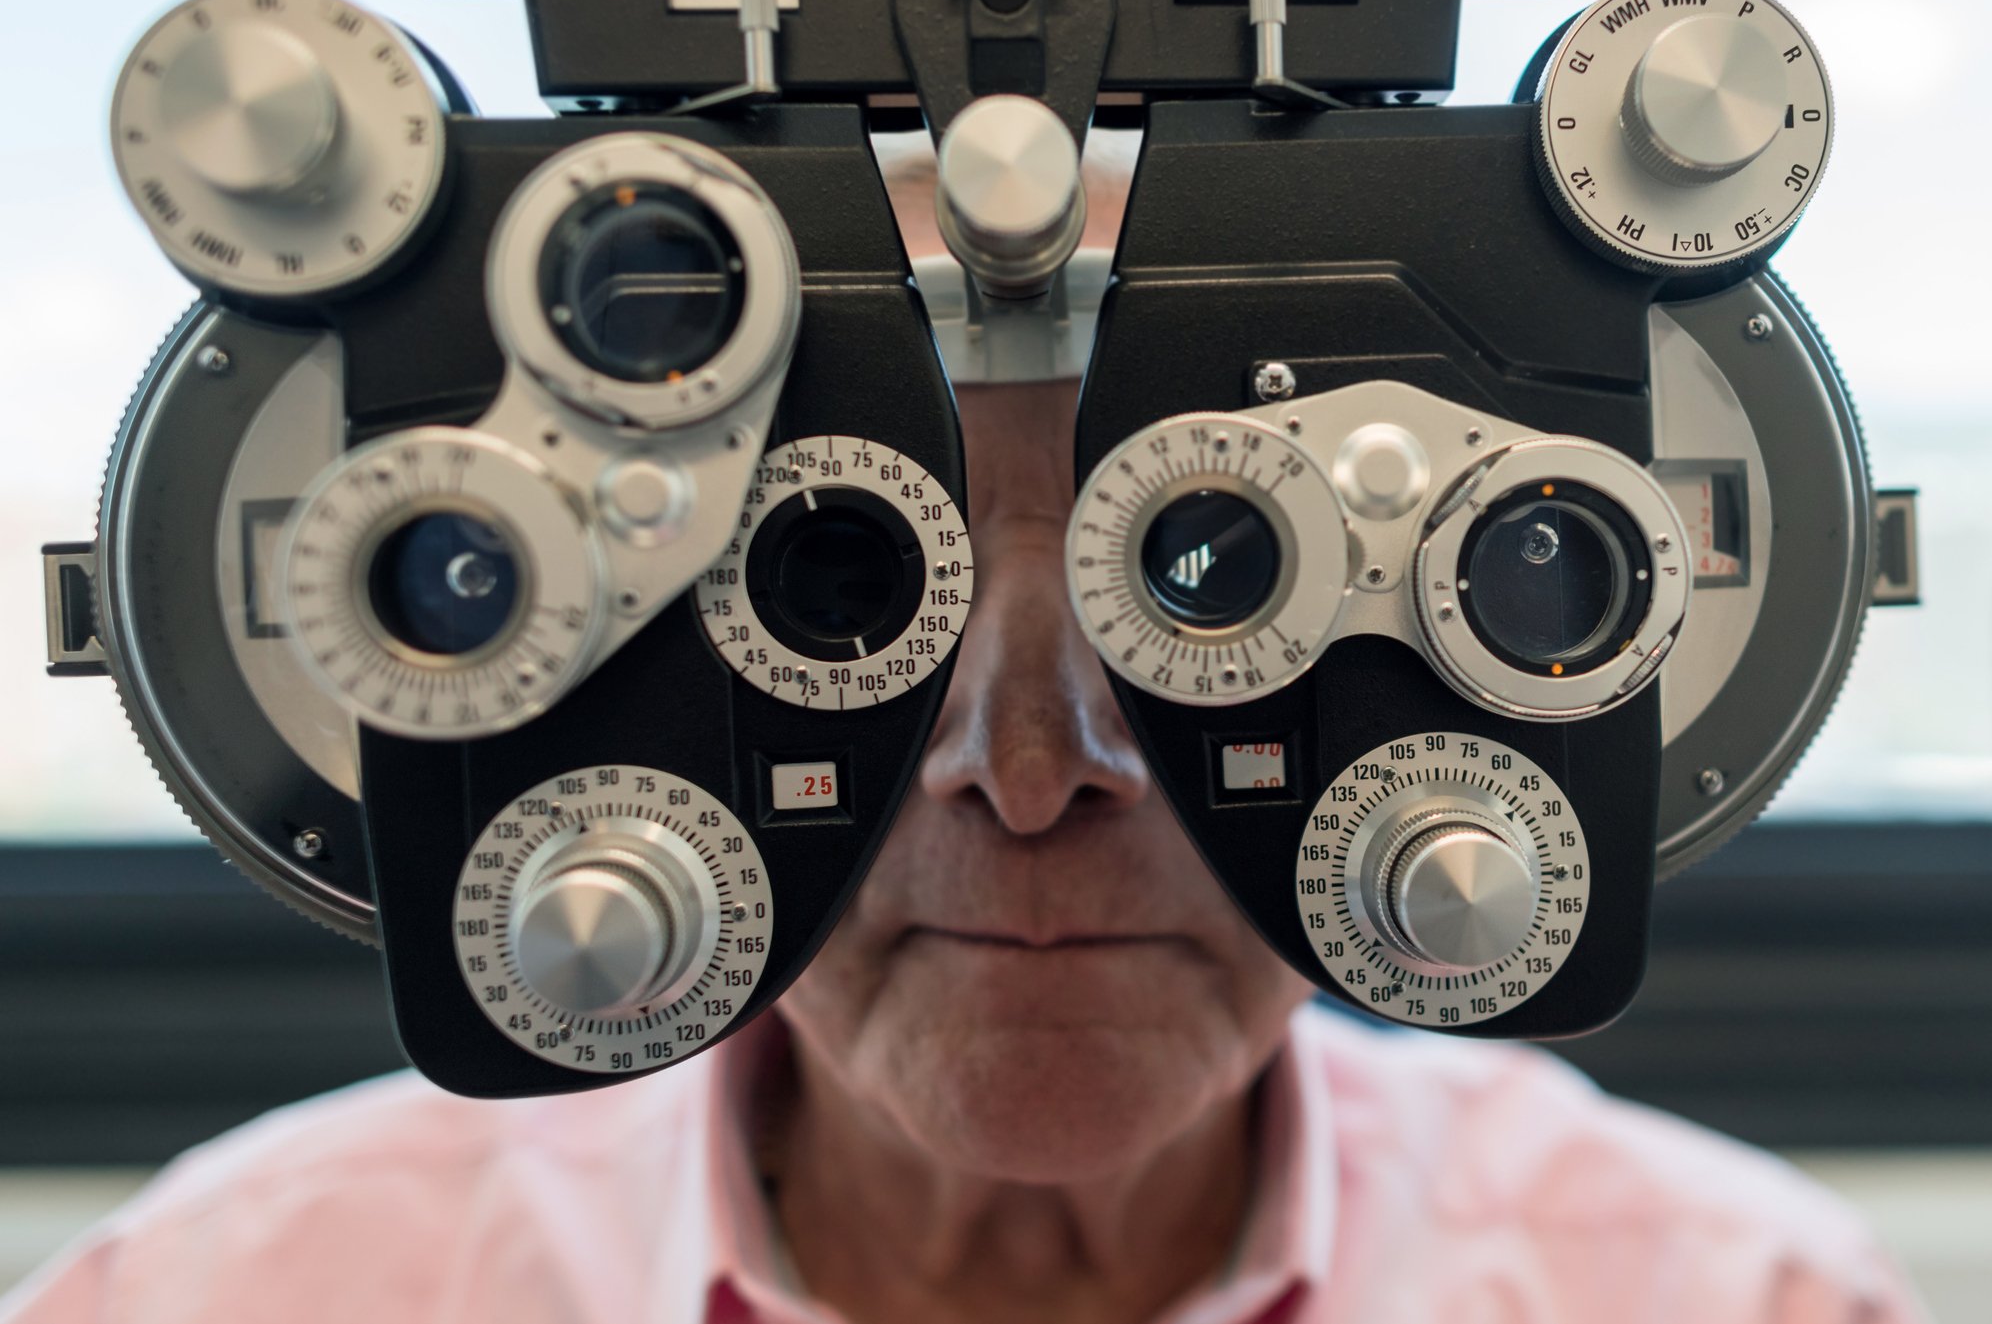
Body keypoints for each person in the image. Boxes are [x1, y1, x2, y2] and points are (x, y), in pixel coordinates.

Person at [1, 139, 1926, 1324]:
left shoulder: (1730, 1297)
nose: (1028, 769)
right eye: (842, 586)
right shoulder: (231, 1294)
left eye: (1205, 575)